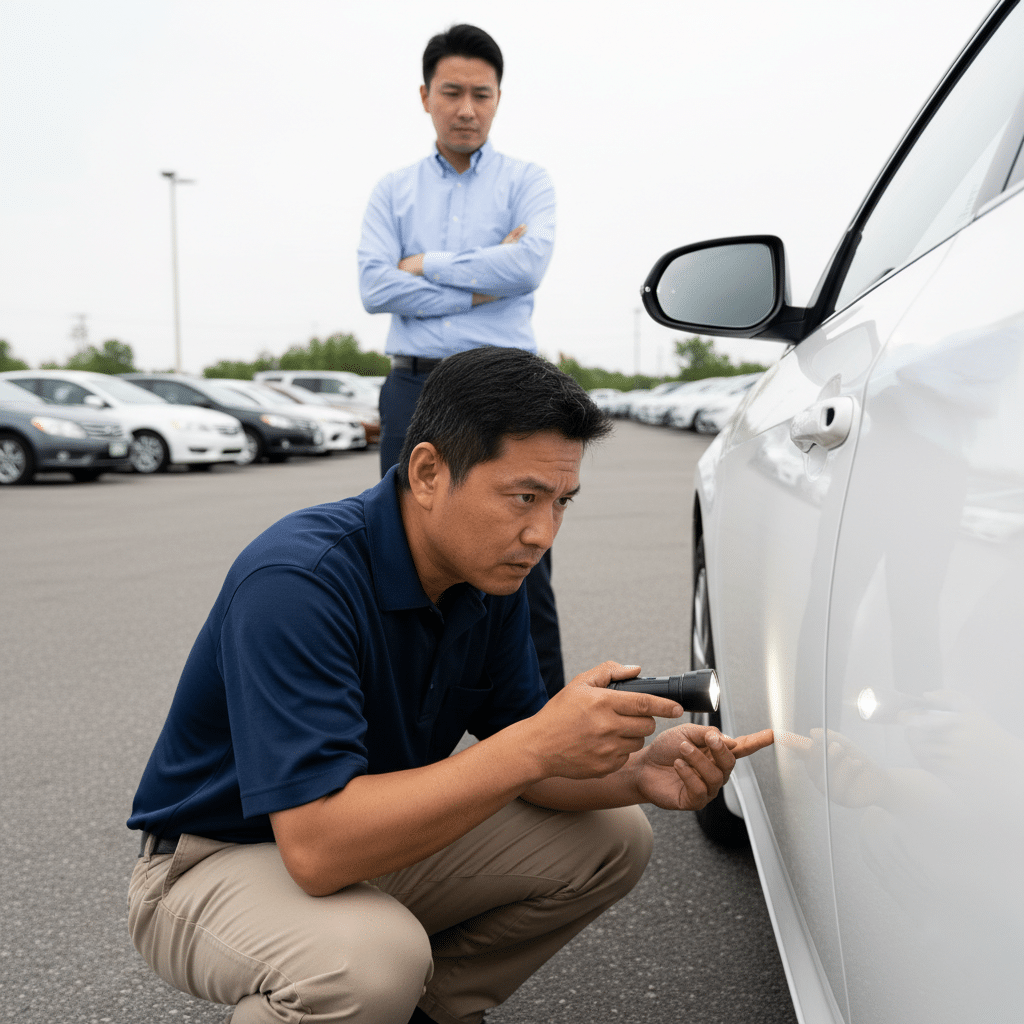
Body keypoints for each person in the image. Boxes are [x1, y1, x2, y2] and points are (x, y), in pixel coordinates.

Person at [126, 347, 773, 1024]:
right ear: (429, 472)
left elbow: (531, 764)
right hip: (213, 864)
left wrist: (637, 774)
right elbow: (318, 851)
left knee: (613, 835)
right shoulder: (297, 582)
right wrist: (535, 745)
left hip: (362, 834)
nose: (542, 532)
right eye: (524, 497)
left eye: (561, 503)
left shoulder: (487, 573)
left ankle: (435, 1012)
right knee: (369, 965)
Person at [357, 24, 566, 695]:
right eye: (452, 92)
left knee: (525, 554)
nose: (467, 108)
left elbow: (529, 266)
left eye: (482, 93)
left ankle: (547, 729)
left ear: (500, 98)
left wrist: (427, 269)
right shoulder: (392, 191)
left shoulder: (527, 181)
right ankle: (397, 723)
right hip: (413, 389)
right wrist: (482, 286)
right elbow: (373, 286)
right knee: (399, 553)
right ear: (425, 96)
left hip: (508, 391)